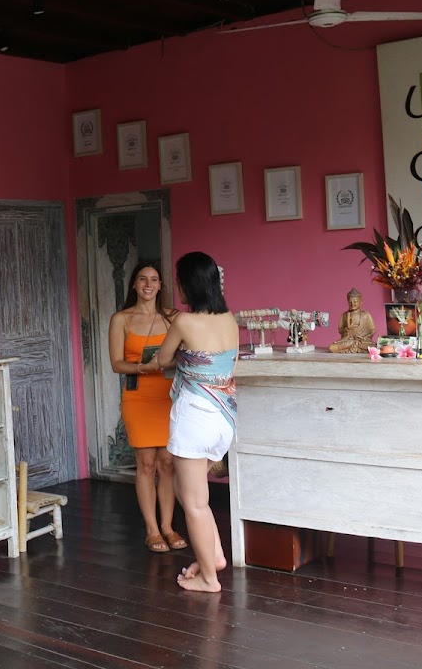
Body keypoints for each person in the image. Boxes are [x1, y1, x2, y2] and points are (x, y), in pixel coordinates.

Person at [154, 251, 238, 592]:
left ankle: (209, 579)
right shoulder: (229, 319)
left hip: (195, 418)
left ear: (187, 285)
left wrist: (182, 356)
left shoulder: (184, 322)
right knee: (187, 491)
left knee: (194, 503)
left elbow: (162, 359)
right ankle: (213, 557)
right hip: (224, 417)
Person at [108, 262, 187, 553]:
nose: (148, 284)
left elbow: (188, 354)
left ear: (161, 285)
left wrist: (170, 363)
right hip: (138, 397)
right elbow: (117, 364)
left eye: (154, 279)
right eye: (142, 279)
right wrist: (146, 367)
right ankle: (152, 530)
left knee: (167, 463)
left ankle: (168, 527)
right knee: (146, 464)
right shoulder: (121, 319)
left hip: (169, 396)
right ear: (134, 284)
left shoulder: (174, 318)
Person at [328, 287, 376, 353]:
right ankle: (355, 346)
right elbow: (340, 330)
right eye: (350, 302)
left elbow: (372, 330)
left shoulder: (366, 315)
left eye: (355, 301)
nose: (352, 303)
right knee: (332, 347)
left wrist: (365, 336)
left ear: (360, 302)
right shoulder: (344, 315)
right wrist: (346, 329)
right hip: (349, 341)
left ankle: (356, 346)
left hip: (362, 341)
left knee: (375, 347)